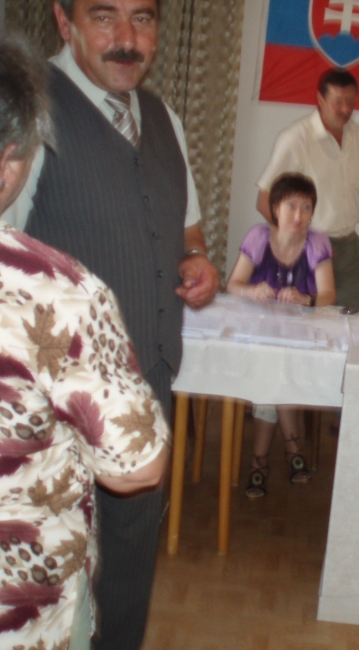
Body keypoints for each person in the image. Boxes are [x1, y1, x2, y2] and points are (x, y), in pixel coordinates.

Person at [8, 1, 220, 648]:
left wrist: (195, 258)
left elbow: (188, 229)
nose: (127, 39)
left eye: (143, 19)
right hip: (46, 419)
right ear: (63, 20)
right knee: (47, 581)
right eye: (104, 16)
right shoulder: (30, 111)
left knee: (128, 574)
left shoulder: (165, 120)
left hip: (144, 389)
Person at [0, 34, 169, 649]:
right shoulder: (56, 292)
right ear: (10, 161)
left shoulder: (162, 122)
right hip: (23, 610)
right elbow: (137, 466)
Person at [226, 173, 335, 496]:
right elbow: (233, 285)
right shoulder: (258, 237)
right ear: (275, 208)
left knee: (277, 368)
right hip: (258, 336)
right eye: (291, 206)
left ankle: (259, 462)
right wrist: (252, 291)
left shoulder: (317, 242)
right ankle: (293, 449)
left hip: (303, 341)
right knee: (273, 366)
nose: (299, 215)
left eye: (306, 207)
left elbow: (329, 295)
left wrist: (306, 299)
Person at [256, 68, 359, 310]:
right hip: (307, 250)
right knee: (304, 321)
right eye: (338, 102)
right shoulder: (296, 138)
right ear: (320, 99)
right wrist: (305, 242)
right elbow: (264, 201)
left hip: (349, 250)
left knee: (352, 320)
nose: (346, 109)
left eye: (351, 102)